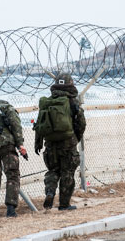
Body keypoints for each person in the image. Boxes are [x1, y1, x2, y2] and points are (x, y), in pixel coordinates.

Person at [34, 73, 86, 210]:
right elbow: (81, 122)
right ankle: (64, 204)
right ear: (70, 83)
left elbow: (39, 123)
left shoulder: (48, 101)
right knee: (67, 173)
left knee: (53, 171)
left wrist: (38, 142)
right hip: (68, 143)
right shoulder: (72, 101)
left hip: (50, 143)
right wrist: (77, 137)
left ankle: (50, 192)